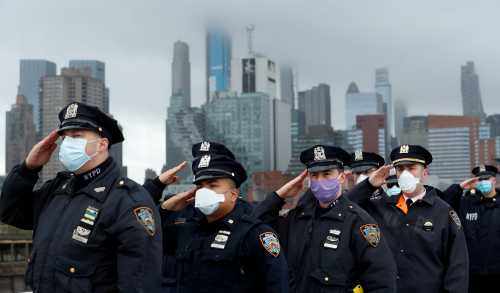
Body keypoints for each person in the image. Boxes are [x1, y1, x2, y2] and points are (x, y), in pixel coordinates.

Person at [0, 102, 162, 293]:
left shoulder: (128, 201)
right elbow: (10, 212)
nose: (68, 143)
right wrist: (28, 168)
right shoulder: (56, 190)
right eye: (65, 138)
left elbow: (138, 284)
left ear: (102, 144)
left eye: (76, 136)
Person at [253, 144, 397, 293]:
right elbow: (255, 228)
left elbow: (381, 281)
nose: (320, 181)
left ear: (341, 177)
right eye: (314, 175)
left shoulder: (358, 222)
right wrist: (280, 195)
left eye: (327, 174)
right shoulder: (297, 219)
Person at [158, 148, 289, 293]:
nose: (203, 191)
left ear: (233, 194)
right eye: (200, 186)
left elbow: (277, 285)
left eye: (213, 185)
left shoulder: (255, 234)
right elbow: (146, 240)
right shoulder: (186, 230)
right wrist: (164, 209)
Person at [349, 144, 469, 292]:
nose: (405, 174)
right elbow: (345, 207)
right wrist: (369, 185)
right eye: (400, 169)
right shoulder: (381, 206)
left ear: (425, 172)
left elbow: (457, 265)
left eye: (411, 168)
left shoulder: (443, 212)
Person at [441, 164, 500, 293]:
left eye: (487, 178)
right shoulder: (467, 203)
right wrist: (460, 187)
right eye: (480, 179)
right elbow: (443, 203)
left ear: (494, 180)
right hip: (472, 274)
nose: (483, 182)